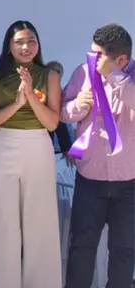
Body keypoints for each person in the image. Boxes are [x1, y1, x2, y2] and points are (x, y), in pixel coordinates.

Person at [0, 20, 63, 287]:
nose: (26, 47)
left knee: (40, 220)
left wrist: (31, 96)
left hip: (38, 145)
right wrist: (17, 103)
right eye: (19, 42)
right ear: (9, 46)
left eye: (31, 41)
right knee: (1, 220)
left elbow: (52, 123)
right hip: (3, 145)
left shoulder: (49, 76)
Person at [62, 24, 135, 288]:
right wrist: (77, 106)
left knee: (124, 251)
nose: (92, 59)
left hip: (129, 184)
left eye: (98, 55)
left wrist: (115, 77)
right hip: (89, 180)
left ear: (122, 59)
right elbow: (63, 113)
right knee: (81, 247)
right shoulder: (82, 73)